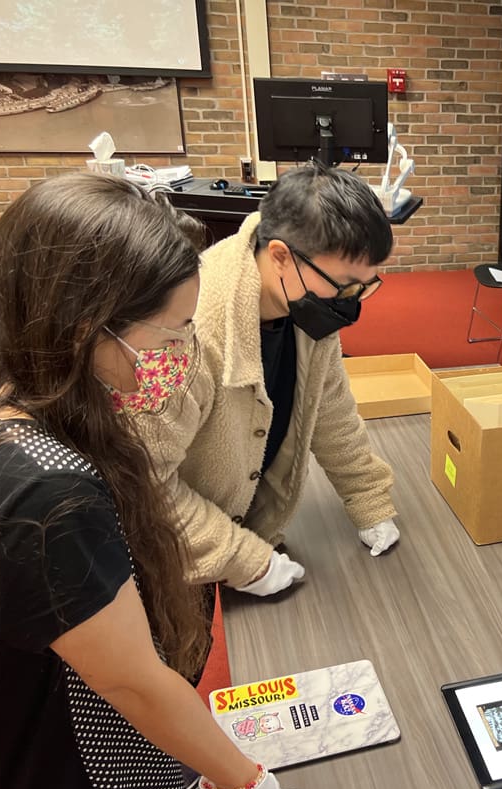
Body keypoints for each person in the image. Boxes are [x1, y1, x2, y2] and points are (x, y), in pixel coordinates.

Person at [0, 173, 303, 789]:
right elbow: (130, 679)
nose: (181, 349)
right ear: (82, 324)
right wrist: (246, 783)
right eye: (168, 333)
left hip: (26, 767)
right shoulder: (45, 490)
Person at [129, 162, 398, 601]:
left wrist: (368, 499)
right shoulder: (186, 332)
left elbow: (331, 410)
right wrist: (244, 561)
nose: (351, 303)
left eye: (364, 287)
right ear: (279, 256)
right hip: (184, 550)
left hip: (254, 522)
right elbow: (147, 485)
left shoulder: (305, 307)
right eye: (344, 285)